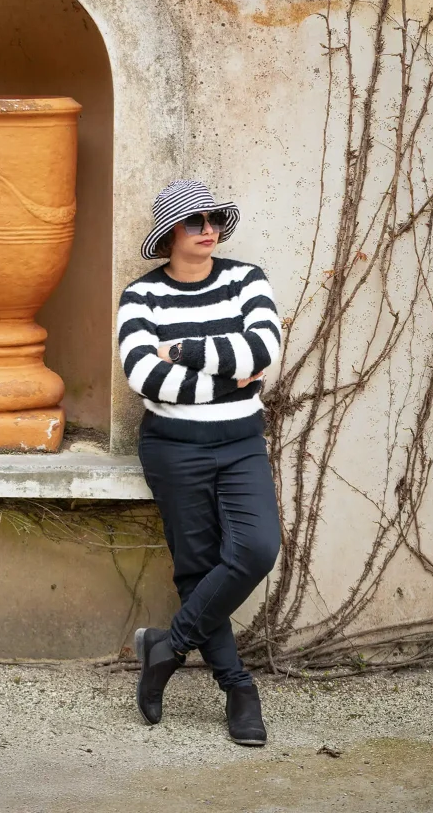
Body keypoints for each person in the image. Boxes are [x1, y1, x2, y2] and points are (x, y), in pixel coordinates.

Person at [117, 178, 282, 746]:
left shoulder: (245, 280)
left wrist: (184, 351)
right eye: (196, 221)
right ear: (170, 232)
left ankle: (168, 644)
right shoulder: (139, 298)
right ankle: (238, 687)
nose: (209, 229)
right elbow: (144, 377)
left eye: (215, 219)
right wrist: (230, 379)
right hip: (173, 448)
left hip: (240, 443)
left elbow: (263, 350)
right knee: (196, 566)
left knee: (257, 548)